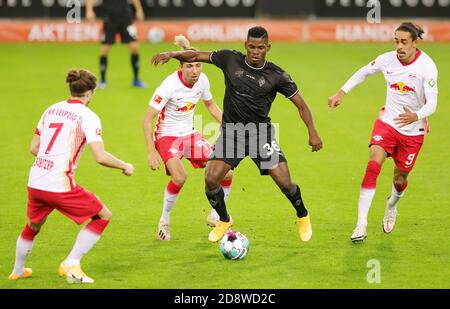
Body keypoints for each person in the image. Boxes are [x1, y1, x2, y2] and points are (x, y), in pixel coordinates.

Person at [151, 26, 323, 243]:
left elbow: (301, 106)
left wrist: (313, 132)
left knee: (284, 181)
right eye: (251, 46)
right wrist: (172, 54)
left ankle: (303, 215)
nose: (255, 51)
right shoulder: (229, 59)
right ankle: (223, 219)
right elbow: (195, 55)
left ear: (268, 48)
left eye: (260, 47)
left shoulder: (277, 75)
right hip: (232, 134)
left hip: (260, 134)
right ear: (245, 46)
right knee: (211, 179)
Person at [8, 69, 134, 283]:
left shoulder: (51, 109)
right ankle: (71, 264)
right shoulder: (88, 116)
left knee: (33, 225)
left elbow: (33, 147)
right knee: (103, 216)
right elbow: (100, 156)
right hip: (60, 183)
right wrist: (124, 165)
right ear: (91, 92)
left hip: (36, 180)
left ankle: (18, 271)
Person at [328, 22, 438, 243]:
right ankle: (361, 224)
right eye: (396, 41)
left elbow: (433, 103)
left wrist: (415, 116)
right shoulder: (387, 59)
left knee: (400, 178)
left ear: (415, 43)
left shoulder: (427, 67)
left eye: (404, 42)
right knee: (372, 166)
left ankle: (391, 205)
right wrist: (341, 92)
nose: (399, 46)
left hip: (413, 130)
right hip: (387, 122)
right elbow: (364, 72)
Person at [144, 35, 233, 241]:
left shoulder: (202, 81)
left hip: (190, 134)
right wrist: (150, 150)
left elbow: (210, 105)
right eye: (190, 67)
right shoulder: (169, 85)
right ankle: (164, 221)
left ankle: (216, 215)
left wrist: (229, 125)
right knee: (180, 177)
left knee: (226, 172)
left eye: (198, 66)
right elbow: (147, 117)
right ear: (181, 67)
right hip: (166, 136)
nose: (195, 71)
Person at [86, 0, 147, 89]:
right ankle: (103, 81)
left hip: (125, 16)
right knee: (105, 49)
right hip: (109, 17)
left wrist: (139, 9)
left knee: (134, 47)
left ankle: (136, 79)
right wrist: (89, 10)